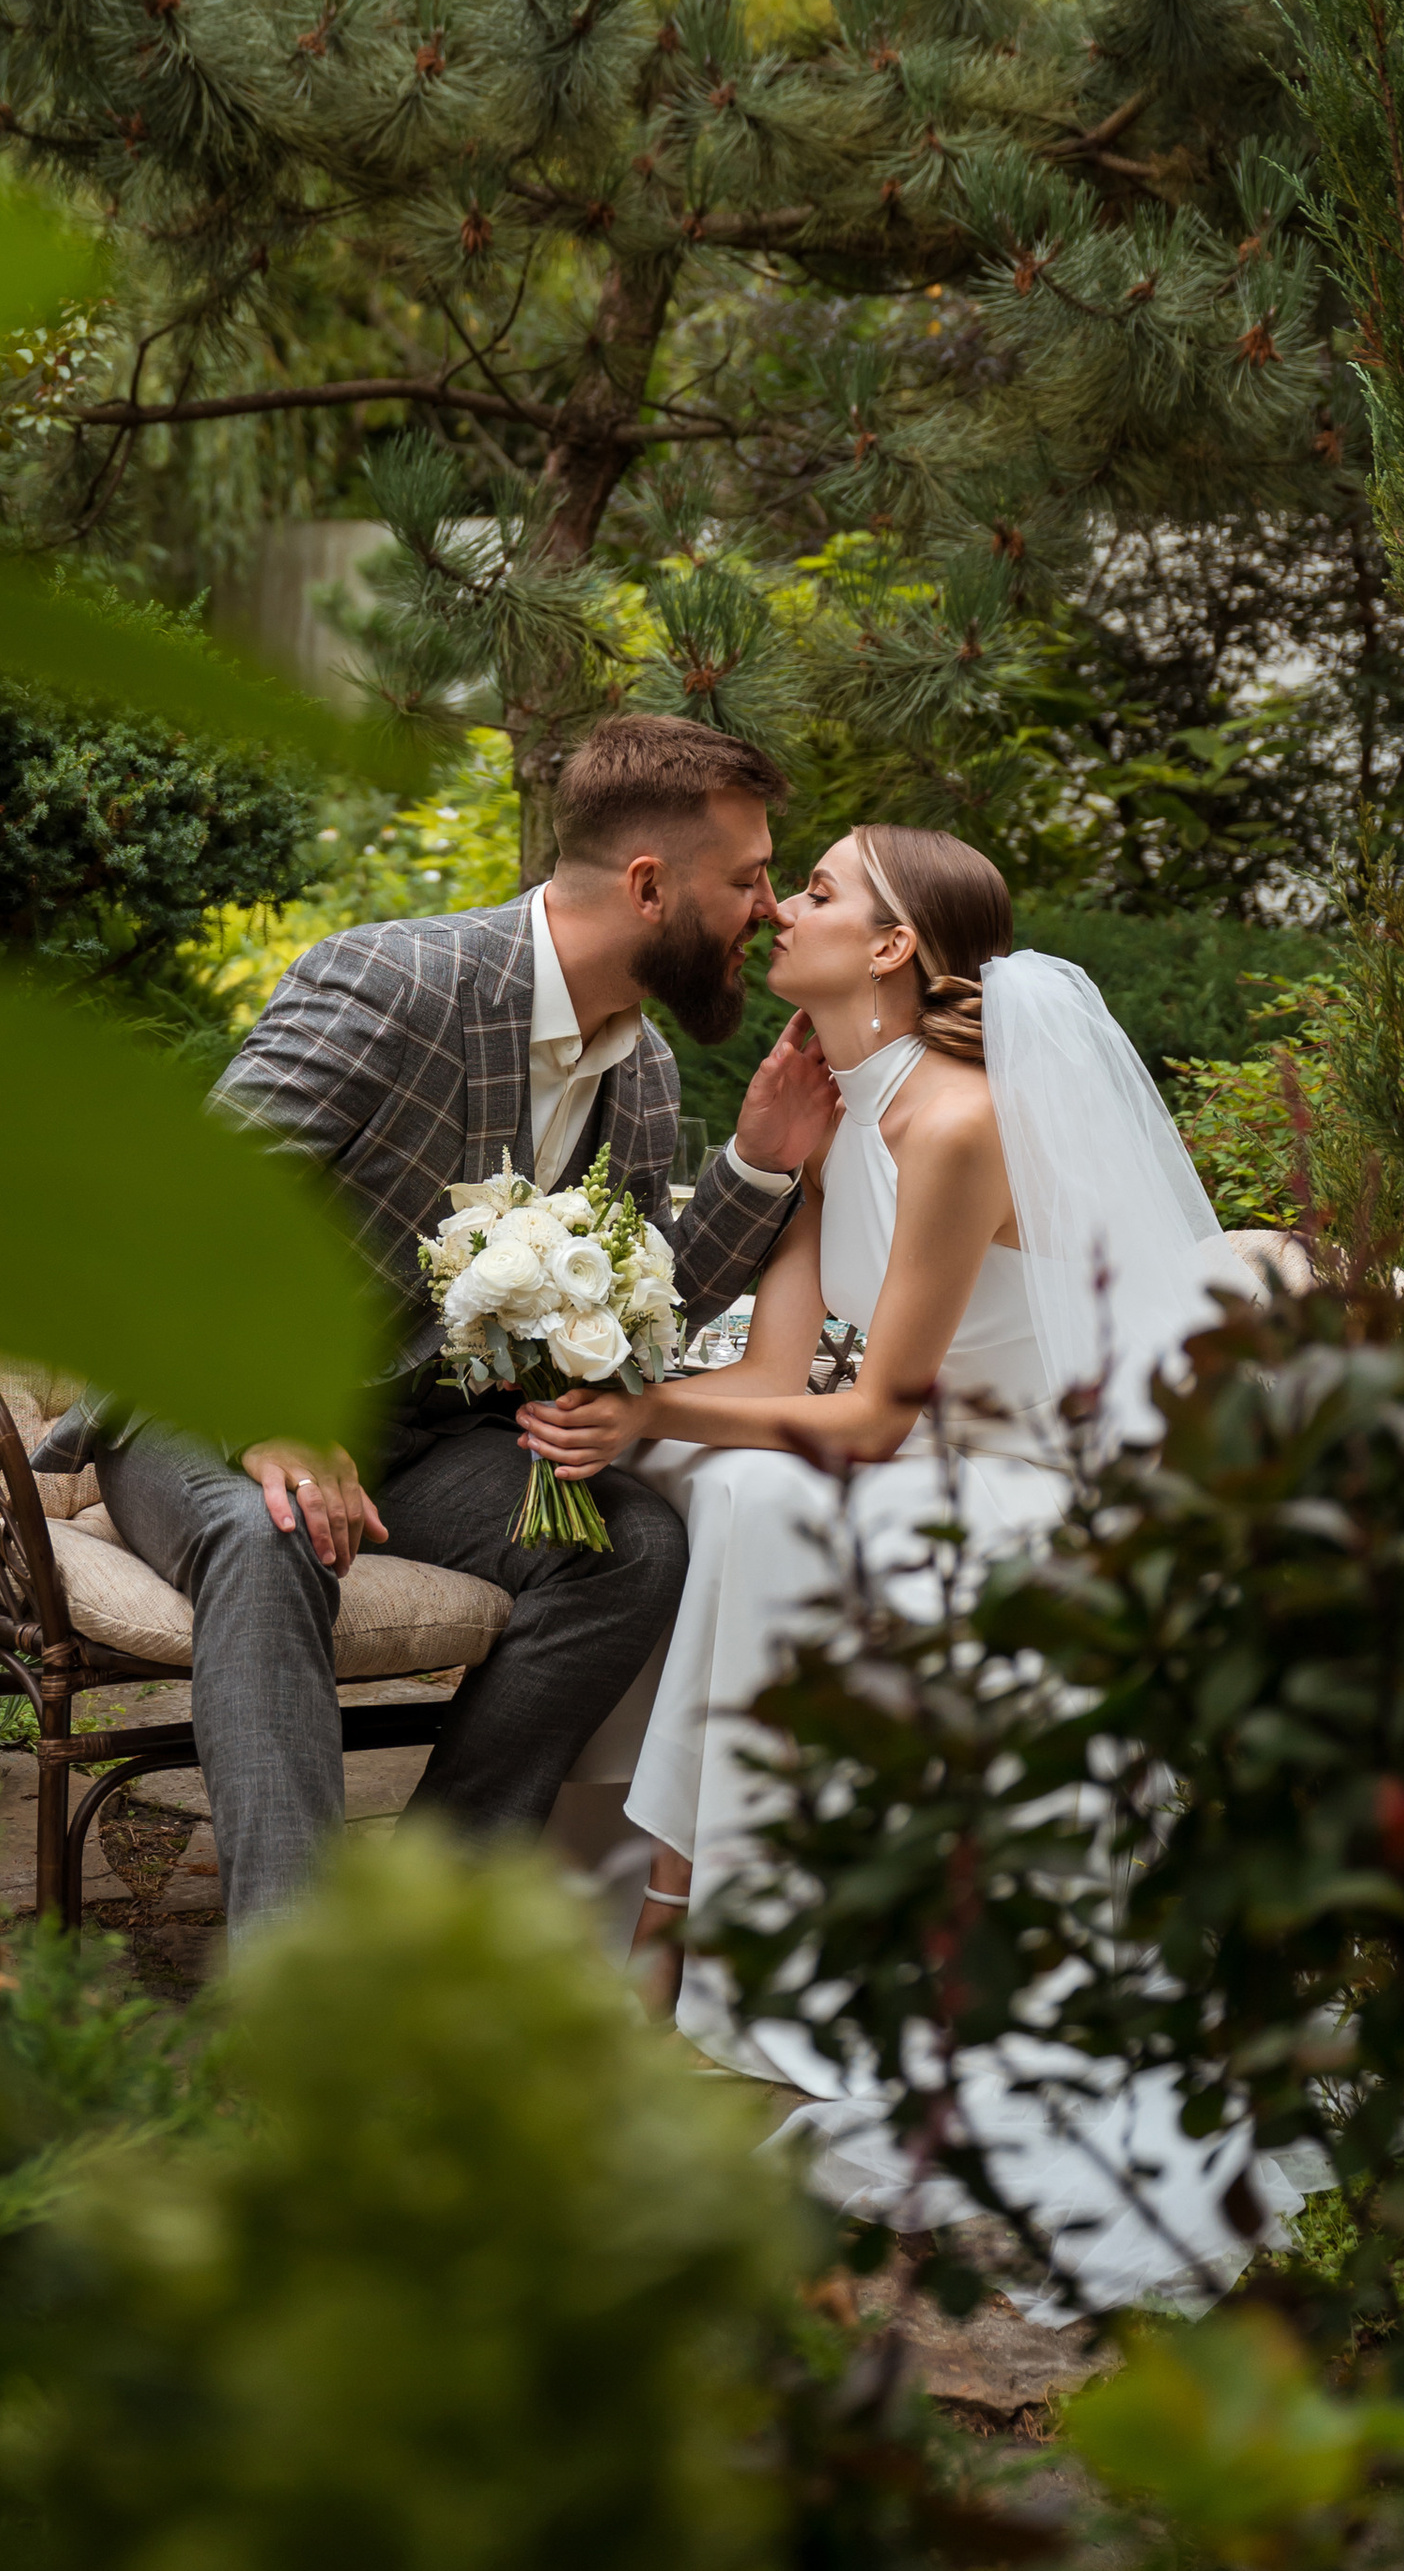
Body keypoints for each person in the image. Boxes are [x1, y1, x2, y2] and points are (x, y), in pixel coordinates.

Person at [521, 823, 1286, 2314]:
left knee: (740, 1492)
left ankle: (675, 1933)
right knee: (703, 1479)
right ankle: (668, 1905)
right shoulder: (848, 1110)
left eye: (812, 890)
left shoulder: (954, 1122)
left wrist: (653, 1406)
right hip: (919, 1459)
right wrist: (618, 1395)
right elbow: (778, 1364)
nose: (778, 909)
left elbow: (878, 1410)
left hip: (1022, 1494)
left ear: (887, 948)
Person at [58, 715, 841, 1930]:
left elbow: (631, 1312)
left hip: (419, 1442)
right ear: (648, 886)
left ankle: (418, 1920)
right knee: (273, 1533)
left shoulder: (641, 1071)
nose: (772, 909)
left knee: (628, 1551)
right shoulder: (392, 980)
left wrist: (755, 1161)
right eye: (747, 879)